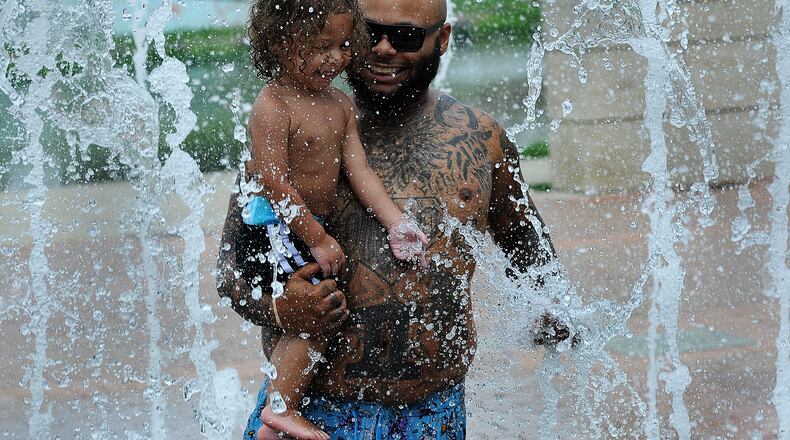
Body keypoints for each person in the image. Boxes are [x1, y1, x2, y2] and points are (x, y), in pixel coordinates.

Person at [216, 0, 570, 437]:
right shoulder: (289, 131)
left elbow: (525, 241)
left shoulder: (481, 140)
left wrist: (555, 313)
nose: (383, 49)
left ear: (441, 40)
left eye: (405, 36)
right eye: (370, 32)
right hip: (309, 412)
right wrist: (281, 307)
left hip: (431, 416)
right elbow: (232, 274)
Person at [238, 1, 429, 438]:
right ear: (278, 43)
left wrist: (396, 222)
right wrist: (319, 237)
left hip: (301, 225)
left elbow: (359, 171)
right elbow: (272, 182)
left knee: (321, 308)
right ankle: (281, 409)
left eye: (344, 45)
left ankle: (276, 416)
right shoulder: (272, 105)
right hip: (272, 225)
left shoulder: (339, 104)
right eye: (320, 46)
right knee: (317, 308)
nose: (336, 58)